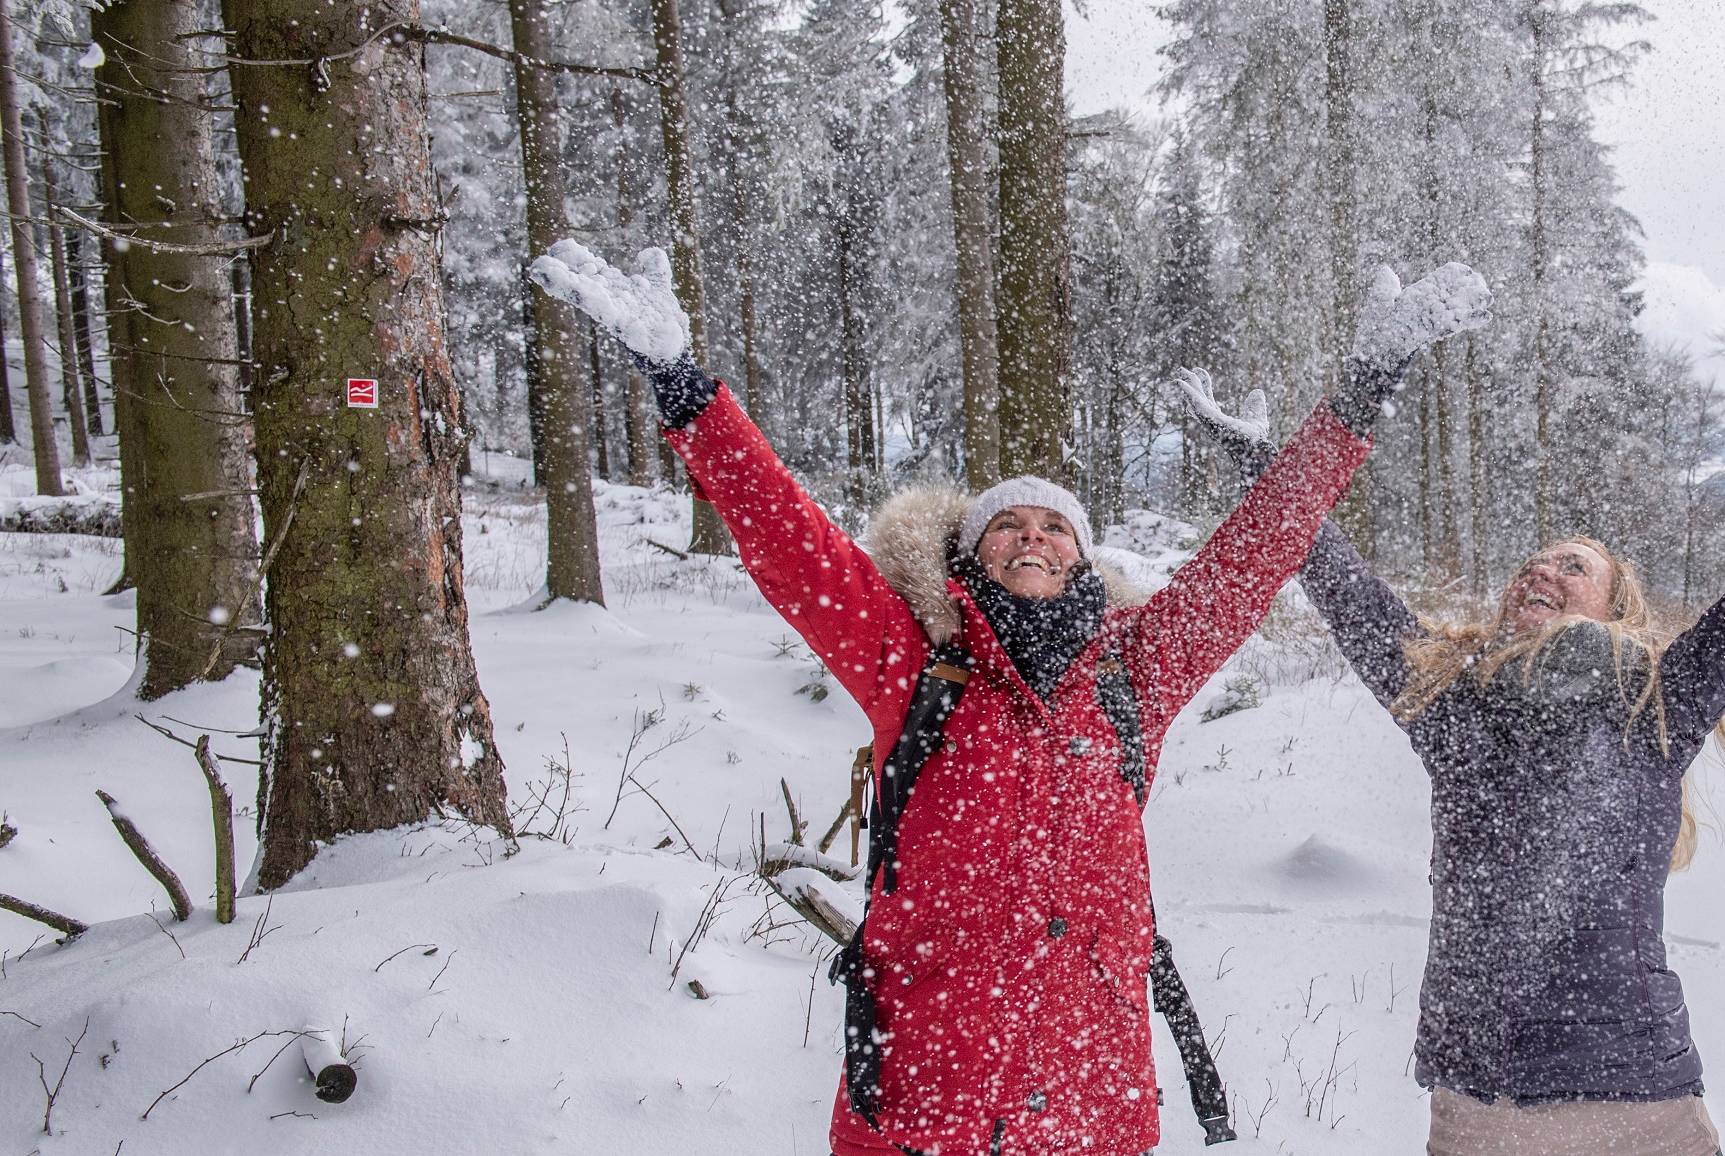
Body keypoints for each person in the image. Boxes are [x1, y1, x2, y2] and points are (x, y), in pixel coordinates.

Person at [529, 243, 1492, 1156]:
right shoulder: (917, 665)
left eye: (1055, 527)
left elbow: (1256, 553)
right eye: (1009, 525)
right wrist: (684, 386)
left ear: (1082, 559)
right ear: (969, 556)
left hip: (1091, 1105)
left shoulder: (1133, 674)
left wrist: (1360, 394)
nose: (1033, 536)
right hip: (923, 1103)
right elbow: (792, 544)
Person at [1174, 336, 1725, 1156]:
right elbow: (1344, 587)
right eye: (1534, 562)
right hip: (1475, 1110)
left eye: (1573, 566)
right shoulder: (1451, 704)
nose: (1541, 571)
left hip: (1635, 1106)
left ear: (1613, 606)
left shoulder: (1659, 701)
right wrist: (1268, 469)